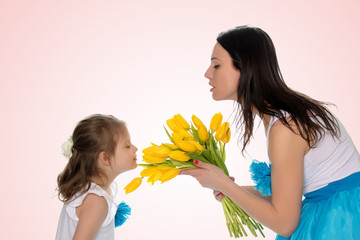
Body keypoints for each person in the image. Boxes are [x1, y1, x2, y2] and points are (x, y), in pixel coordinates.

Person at [181, 25, 360, 239]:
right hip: (341, 209)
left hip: (341, 219)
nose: (207, 74)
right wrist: (231, 189)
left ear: (245, 68)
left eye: (217, 65)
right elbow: (287, 195)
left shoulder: (286, 127)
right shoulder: (283, 114)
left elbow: (284, 224)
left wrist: (223, 183)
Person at [55, 114, 138, 240]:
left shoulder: (97, 190)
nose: (135, 148)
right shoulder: (96, 200)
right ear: (105, 158)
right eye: (127, 146)